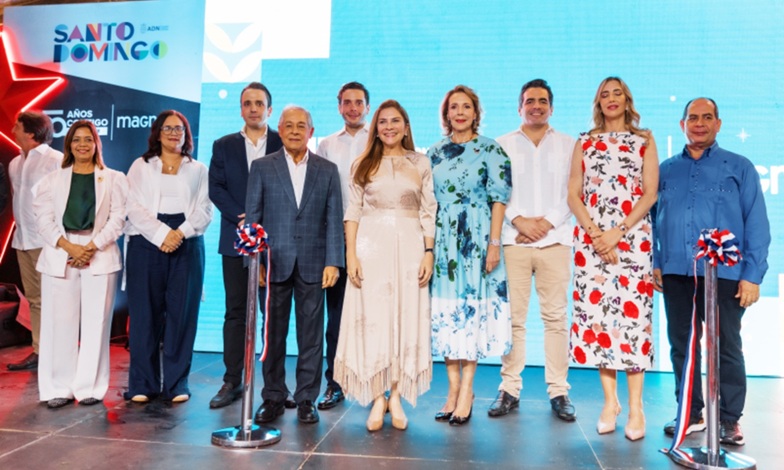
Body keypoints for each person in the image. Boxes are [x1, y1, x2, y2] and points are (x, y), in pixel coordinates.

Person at [653, 98, 770, 446]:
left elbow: (758, 223)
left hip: (726, 274)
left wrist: (753, 275)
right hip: (676, 272)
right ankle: (690, 413)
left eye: (707, 118)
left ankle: (729, 419)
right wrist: (657, 262)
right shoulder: (665, 170)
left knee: (727, 346)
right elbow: (653, 222)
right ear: (682, 124)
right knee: (682, 346)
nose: (699, 123)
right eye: (693, 118)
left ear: (718, 123)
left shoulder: (739, 167)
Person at [334, 99, 436, 431]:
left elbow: (428, 210)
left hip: (409, 248)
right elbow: (352, 212)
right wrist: (351, 254)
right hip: (370, 248)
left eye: (395, 121)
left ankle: (396, 396)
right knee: (374, 319)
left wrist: (428, 251)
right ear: (375, 128)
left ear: (406, 126)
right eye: (382, 122)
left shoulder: (420, 162)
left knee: (404, 317)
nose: (389, 127)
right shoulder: (362, 164)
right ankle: (377, 397)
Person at [567, 77, 658, 441]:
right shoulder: (584, 142)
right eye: (604, 94)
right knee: (600, 320)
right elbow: (574, 194)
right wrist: (595, 234)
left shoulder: (644, 140)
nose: (610, 99)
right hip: (591, 243)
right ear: (597, 103)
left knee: (634, 324)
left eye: (616, 93)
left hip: (632, 240)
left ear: (627, 99)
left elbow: (650, 193)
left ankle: (636, 408)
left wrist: (617, 232)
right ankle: (610, 403)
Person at [245, 105, 343, 425]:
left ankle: (305, 399)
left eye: (303, 126)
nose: (296, 131)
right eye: (290, 125)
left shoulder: (327, 170)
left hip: (315, 264)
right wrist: (255, 262)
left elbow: (332, 219)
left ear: (311, 132)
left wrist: (334, 261)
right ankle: (273, 397)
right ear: (280, 129)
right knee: (272, 334)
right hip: (274, 264)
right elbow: (253, 218)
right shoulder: (262, 167)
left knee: (311, 337)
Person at [491, 79, 576, 421]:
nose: (536, 106)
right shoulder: (502, 144)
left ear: (551, 107)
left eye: (542, 101)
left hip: (555, 242)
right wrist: (520, 221)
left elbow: (575, 192)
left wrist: (548, 223)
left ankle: (559, 391)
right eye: (529, 101)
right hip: (515, 242)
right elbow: (497, 191)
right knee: (514, 320)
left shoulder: (571, 145)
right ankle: (509, 389)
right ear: (519, 107)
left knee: (555, 319)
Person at [429, 85, 512, 426]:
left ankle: (468, 390)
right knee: (447, 314)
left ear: (476, 112)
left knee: (471, 312)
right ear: (446, 113)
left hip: (477, 239)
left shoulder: (492, 149)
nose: (460, 112)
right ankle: (451, 389)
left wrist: (494, 244)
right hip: (443, 240)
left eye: (466, 107)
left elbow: (499, 199)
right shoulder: (433, 153)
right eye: (453, 107)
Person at [33, 120, 127, 408]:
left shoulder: (113, 178)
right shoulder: (51, 180)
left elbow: (118, 218)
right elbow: (43, 219)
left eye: (88, 139)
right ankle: (58, 387)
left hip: (98, 251)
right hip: (61, 252)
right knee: (59, 323)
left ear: (96, 144)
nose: (82, 145)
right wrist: (69, 246)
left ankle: (89, 387)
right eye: (77, 140)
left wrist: (90, 247)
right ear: (69, 145)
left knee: (97, 323)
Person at [124, 110, 212, 403]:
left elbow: (204, 210)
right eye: (168, 128)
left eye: (180, 129)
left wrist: (180, 233)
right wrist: (163, 234)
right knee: (144, 316)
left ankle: (176, 384)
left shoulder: (198, 168)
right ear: (158, 133)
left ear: (186, 135)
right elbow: (133, 207)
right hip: (146, 242)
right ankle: (142, 384)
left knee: (182, 316)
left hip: (187, 243)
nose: (174, 133)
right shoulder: (141, 165)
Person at [207, 82, 283, 409]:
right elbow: (216, 188)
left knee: (273, 314)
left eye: (259, 103)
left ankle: (274, 387)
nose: (253, 108)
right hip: (235, 240)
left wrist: (264, 223)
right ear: (241, 109)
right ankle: (232, 380)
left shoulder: (283, 142)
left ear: (270, 109)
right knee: (236, 312)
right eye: (247, 103)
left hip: (276, 241)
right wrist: (243, 219)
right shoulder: (223, 145)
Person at [315, 81, 371, 410]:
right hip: (336, 238)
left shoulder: (379, 138)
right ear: (339, 106)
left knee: (375, 314)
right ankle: (334, 384)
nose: (353, 108)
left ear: (368, 106)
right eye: (346, 102)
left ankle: (376, 385)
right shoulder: (325, 145)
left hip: (373, 236)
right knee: (335, 318)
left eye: (359, 102)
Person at [7, 111, 62, 371]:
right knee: (35, 299)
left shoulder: (56, 160)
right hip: (23, 239)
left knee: (55, 297)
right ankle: (39, 351)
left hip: (47, 241)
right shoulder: (15, 163)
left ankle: (59, 352)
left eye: (17, 126)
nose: (12, 129)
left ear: (30, 132)